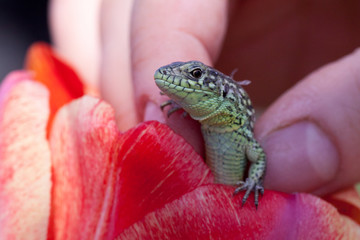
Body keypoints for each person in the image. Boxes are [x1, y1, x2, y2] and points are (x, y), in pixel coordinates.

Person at [49, 0, 360, 196]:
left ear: (222, 92)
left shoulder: (240, 133)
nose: (183, 79)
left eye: (195, 75)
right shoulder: (201, 115)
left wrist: (254, 182)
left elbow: (260, 158)